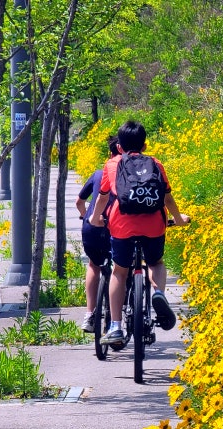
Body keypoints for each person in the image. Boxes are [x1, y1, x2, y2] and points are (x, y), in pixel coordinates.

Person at [89, 120, 189, 342]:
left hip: (121, 226)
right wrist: (179, 219)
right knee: (155, 263)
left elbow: (103, 197)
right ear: (144, 145)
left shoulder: (112, 165)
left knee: (119, 272)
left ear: (120, 147)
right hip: (153, 225)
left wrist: (96, 218)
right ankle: (159, 293)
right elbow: (167, 197)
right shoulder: (156, 163)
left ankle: (115, 327)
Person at [75, 139, 120, 333]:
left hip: (92, 227)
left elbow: (79, 201)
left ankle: (90, 314)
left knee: (94, 264)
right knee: (121, 267)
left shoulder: (98, 174)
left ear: (110, 155)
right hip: (118, 226)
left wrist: (86, 217)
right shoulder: (133, 174)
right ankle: (121, 312)